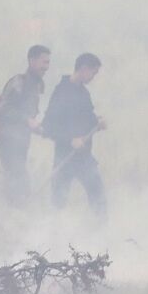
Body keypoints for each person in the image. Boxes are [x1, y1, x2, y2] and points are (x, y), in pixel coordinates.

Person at [41, 53, 108, 218]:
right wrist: (70, 140)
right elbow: (48, 126)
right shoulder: (62, 91)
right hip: (65, 157)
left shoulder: (84, 93)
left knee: (98, 196)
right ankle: (52, 235)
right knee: (58, 201)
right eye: (93, 73)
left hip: (84, 157)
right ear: (84, 69)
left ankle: (101, 234)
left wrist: (97, 123)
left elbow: (87, 119)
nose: (94, 77)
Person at [0, 45, 50, 206]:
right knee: (18, 182)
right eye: (43, 62)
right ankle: (13, 215)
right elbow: (3, 109)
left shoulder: (38, 85)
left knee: (17, 180)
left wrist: (37, 127)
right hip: (9, 141)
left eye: (48, 63)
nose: (46, 67)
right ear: (32, 60)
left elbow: (29, 115)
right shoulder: (18, 82)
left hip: (22, 142)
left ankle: (14, 212)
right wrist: (26, 120)